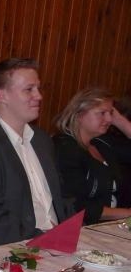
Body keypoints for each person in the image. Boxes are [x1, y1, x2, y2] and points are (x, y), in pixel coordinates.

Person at [0, 58, 70, 249]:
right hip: (14, 251)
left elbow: (62, 199)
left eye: (38, 88)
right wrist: (45, 239)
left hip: (58, 244)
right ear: (2, 96)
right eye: (29, 89)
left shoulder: (42, 140)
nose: (39, 96)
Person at [53, 87, 131, 224]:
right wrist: (127, 213)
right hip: (82, 228)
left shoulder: (102, 143)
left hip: (111, 225)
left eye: (111, 113)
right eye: (102, 113)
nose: (109, 119)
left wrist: (120, 121)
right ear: (79, 114)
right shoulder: (65, 149)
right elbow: (77, 207)